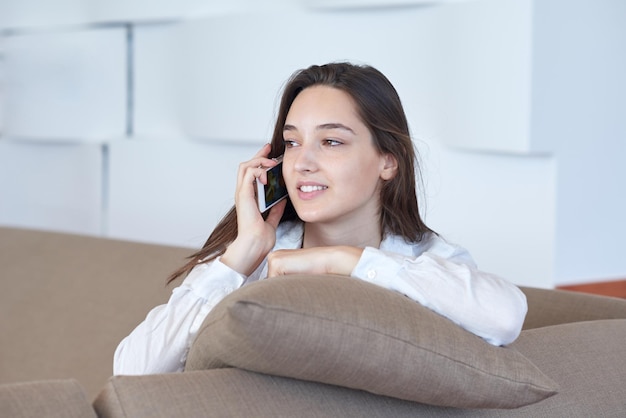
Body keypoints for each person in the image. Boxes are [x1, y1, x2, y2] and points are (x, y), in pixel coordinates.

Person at [114, 62, 527, 375]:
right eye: (292, 143)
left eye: (331, 141)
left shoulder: (424, 260)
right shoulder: (253, 258)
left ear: (389, 160)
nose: (302, 163)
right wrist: (243, 252)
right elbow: (133, 372)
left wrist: (343, 261)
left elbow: (504, 317)